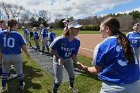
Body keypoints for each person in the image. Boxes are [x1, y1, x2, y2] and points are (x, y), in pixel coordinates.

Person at [76, 17, 140, 93]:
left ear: (107, 29)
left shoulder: (103, 45)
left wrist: (83, 67)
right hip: (136, 86)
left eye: (101, 28)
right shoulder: (128, 43)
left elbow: (97, 70)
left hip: (115, 88)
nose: (99, 31)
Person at [49, 21, 82, 93]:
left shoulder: (77, 42)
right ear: (70, 29)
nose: (78, 30)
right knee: (59, 80)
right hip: (58, 59)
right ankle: (54, 91)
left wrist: (76, 62)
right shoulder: (60, 39)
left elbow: (74, 54)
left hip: (67, 59)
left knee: (72, 75)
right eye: (76, 28)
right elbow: (51, 50)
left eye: (79, 28)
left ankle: (71, 86)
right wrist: (59, 57)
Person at [0, 19, 30, 92]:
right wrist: (27, 53)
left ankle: (3, 87)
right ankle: (21, 85)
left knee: (5, 72)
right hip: (16, 56)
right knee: (19, 72)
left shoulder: (1, 33)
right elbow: (23, 47)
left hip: (6, 56)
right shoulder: (18, 34)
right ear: (15, 25)